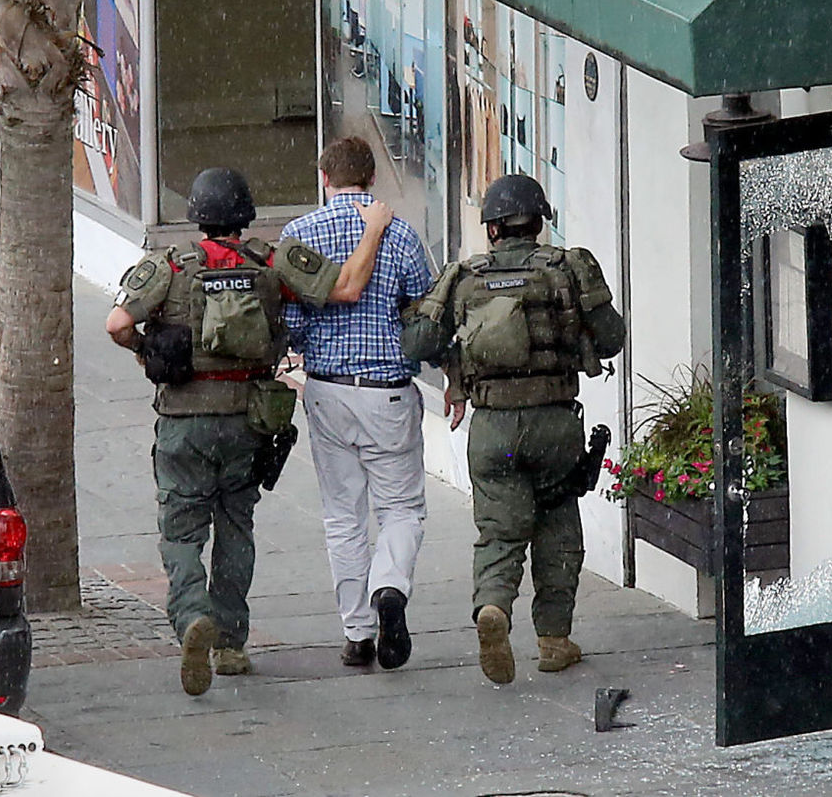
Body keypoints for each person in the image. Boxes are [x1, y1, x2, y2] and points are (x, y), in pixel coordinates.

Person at [106, 167, 390, 696]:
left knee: (182, 533)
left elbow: (117, 324)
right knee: (236, 528)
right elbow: (347, 287)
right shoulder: (271, 261)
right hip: (247, 421)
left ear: (196, 215)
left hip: (184, 424)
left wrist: (149, 351)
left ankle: (193, 616)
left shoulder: (170, 266)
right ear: (245, 215)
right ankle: (232, 645)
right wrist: (373, 229)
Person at [402, 173, 624, 685]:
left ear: (492, 229)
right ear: (539, 223)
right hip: (554, 423)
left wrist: (454, 362)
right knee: (558, 529)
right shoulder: (567, 267)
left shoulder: (463, 276)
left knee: (499, 531)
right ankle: (554, 641)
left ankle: (493, 607)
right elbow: (611, 338)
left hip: (493, 429)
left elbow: (417, 343)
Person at [280, 136, 433, 671]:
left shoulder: (299, 235)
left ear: (324, 178)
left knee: (343, 516)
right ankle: (389, 587)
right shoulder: (401, 233)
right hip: (388, 391)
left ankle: (358, 633)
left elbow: (292, 319)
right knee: (400, 508)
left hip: (327, 388)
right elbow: (424, 312)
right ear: (372, 179)